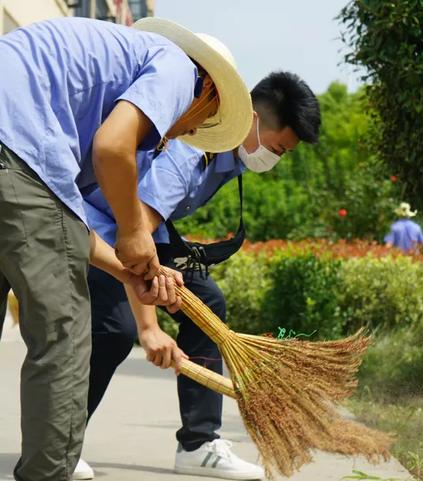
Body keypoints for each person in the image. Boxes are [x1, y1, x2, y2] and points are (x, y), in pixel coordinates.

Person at [0, 16, 252, 481]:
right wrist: (136, 232)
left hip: (11, 152)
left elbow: (63, 225)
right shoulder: (180, 70)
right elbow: (112, 148)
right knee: (64, 337)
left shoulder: (93, 72)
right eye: (199, 124)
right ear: (209, 92)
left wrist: (129, 270)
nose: (181, 134)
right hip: (16, 150)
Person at [75, 72, 321, 480]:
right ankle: (61, 442)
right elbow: (134, 234)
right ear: (253, 119)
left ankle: (199, 444)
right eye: (278, 149)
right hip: (97, 230)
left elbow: (154, 228)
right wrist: (149, 326)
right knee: (116, 330)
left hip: (139, 231)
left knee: (208, 302)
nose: (275, 160)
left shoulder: (229, 158)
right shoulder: (192, 151)